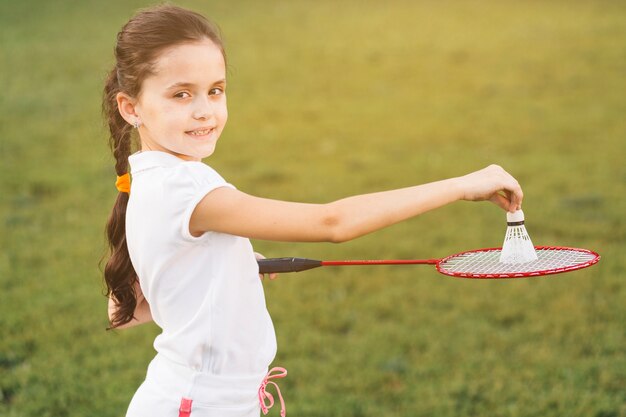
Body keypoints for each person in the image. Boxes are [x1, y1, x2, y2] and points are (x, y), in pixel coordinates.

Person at [102, 5, 523, 417]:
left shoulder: (151, 179)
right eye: (181, 94)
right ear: (131, 107)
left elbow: (130, 310)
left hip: (206, 399)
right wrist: (462, 185)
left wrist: (226, 270)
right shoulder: (185, 186)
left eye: (215, 90)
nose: (204, 109)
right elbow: (333, 222)